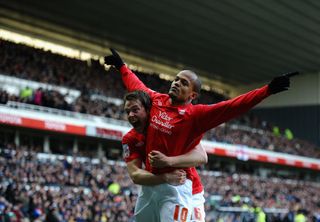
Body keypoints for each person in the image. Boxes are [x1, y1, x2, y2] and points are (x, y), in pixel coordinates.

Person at [105, 48, 296, 222]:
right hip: (152, 184)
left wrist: (267, 90)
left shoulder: (196, 116)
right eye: (176, 79)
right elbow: (136, 86)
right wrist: (121, 67)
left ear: (193, 96)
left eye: (184, 83)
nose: (177, 83)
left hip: (177, 185)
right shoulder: (157, 100)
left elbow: (233, 106)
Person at [123, 90, 207, 222]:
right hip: (156, 185)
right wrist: (165, 177)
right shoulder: (130, 138)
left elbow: (202, 157)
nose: (130, 115)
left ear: (148, 110)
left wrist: (169, 161)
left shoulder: (169, 125)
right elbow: (135, 175)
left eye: (135, 110)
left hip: (189, 190)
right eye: (127, 112)